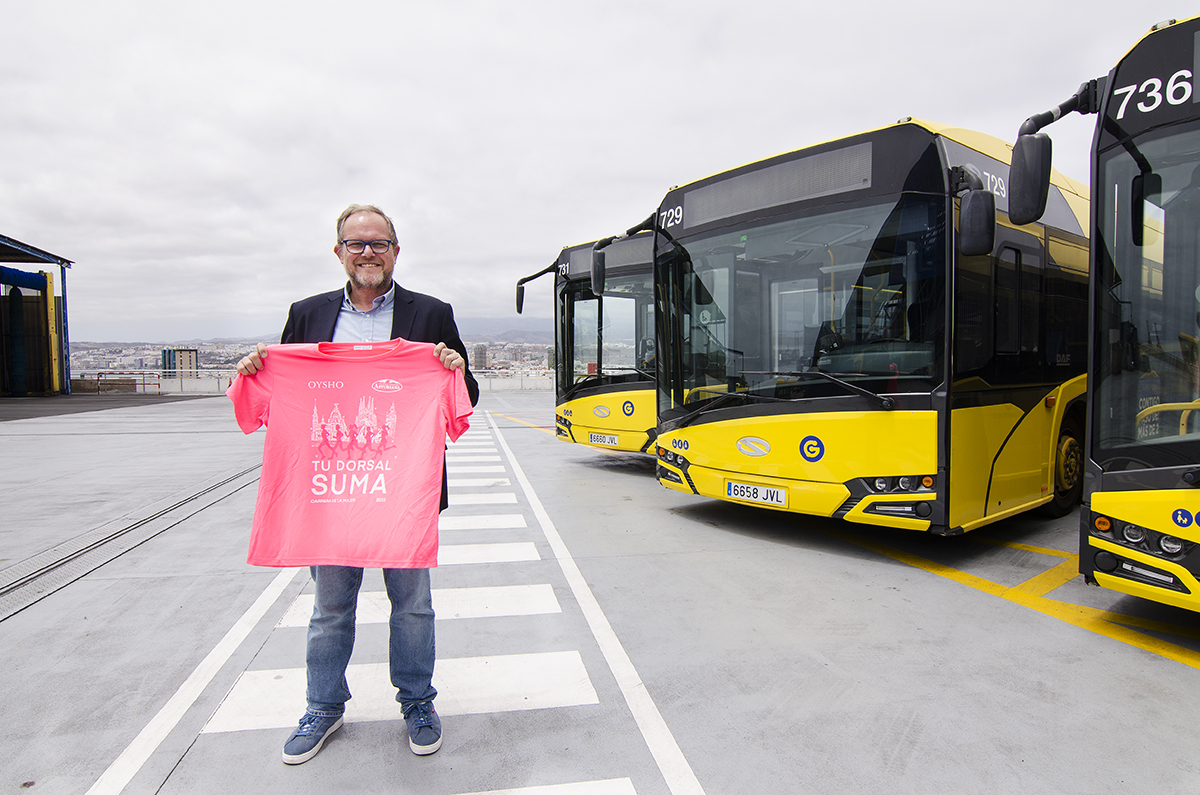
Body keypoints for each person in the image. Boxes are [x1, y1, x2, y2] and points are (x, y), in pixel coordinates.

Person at [236, 203, 480, 764]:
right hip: (331, 491)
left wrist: (454, 367)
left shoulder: (432, 313)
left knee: (413, 605)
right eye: (355, 243)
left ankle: (418, 700)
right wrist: (256, 369)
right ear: (339, 251)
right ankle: (323, 706)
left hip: (404, 494)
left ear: (396, 250)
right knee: (329, 608)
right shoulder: (306, 313)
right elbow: (281, 392)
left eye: (378, 243)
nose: (366, 252)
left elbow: (465, 396)